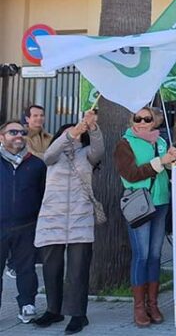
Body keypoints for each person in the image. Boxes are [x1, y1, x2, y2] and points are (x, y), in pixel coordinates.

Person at [34, 110, 102, 333]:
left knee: (77, 270)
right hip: (52, 219)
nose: (72, 135)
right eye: (66, 132)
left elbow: (98, 149)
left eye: (76, 133)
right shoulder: (53, 154)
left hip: (80, 220)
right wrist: (72, 132)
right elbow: (49, 155)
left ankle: (78, 315)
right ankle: (53, 310)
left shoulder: (86, 155)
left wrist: (92, 127)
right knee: (51, 268)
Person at [115, 107, 176, 327]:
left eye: (147, 118)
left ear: (155, 121)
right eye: (137, 118)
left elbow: (167, 169)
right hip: (139, 204)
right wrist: (161, 162)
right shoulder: (125, 143)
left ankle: (153, 303)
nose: (142, 121)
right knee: (141, 255)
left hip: (160, 202)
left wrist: (172, 160)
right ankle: (139, 307)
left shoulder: (160, 142)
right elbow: (131, 174)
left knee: (155, 255)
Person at [0, 120, 46, 324]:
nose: (19, 135)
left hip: (26, 226)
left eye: (22, 132)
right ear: (2, 137)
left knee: (26, 269)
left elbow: (44, 194)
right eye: (12, 132)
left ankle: (27, 304)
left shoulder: (36, 164)